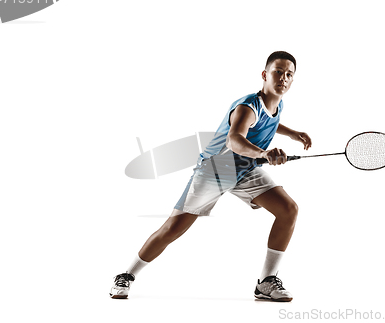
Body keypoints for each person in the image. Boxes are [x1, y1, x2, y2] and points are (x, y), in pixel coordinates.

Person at [110, 51, 312, 302]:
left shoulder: (277, 103)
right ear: (264, 74)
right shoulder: (247, 106)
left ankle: (266, 282)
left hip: (245, 169)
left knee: (288, 209)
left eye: (289, 74)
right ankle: (126, 276)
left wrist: (291, 133)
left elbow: (269, 121)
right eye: (278, 72)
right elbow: (235, 139)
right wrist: (265, 152)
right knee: (174, 228)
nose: (283, 78)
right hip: (218, 168)